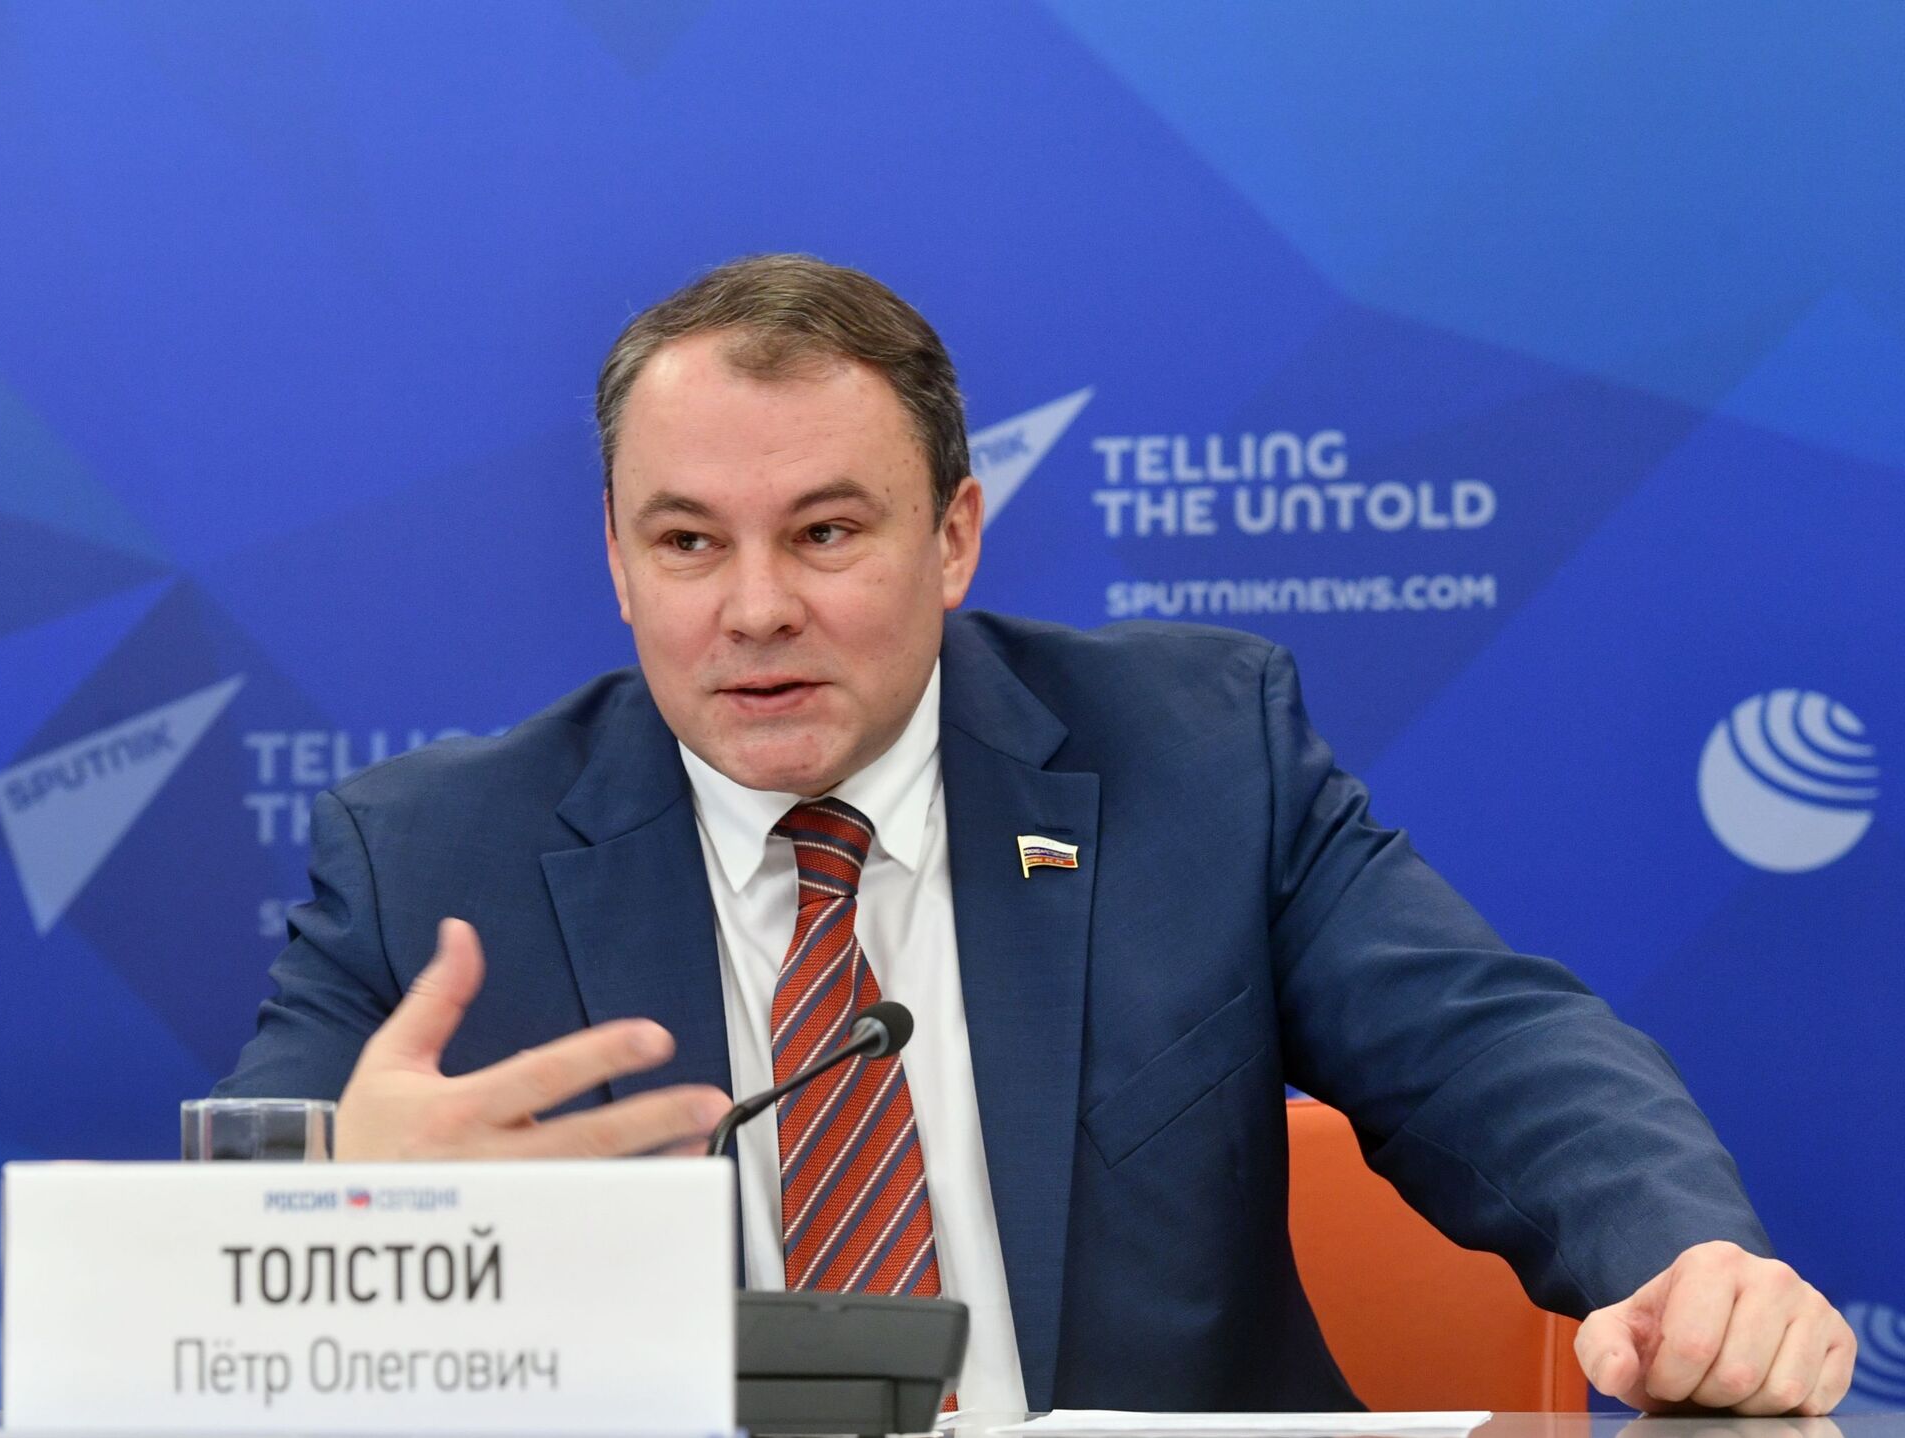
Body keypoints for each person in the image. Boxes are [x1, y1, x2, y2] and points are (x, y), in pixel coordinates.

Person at [219, 255, 1856, 1416]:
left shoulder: (1197, 758)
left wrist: (1690, 1256)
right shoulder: (430, 857)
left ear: (955, 536)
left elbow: (1495, 1048)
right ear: (617, 559)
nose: (755, 607)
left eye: (826, 531)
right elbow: (203, 1281)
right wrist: (328, 1219)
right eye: (689, 541)